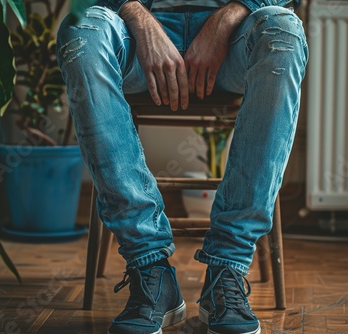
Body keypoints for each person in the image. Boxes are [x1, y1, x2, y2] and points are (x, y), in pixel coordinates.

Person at [57, 0, 308, 332]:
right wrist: (138, 18)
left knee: (284, 31)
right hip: (131, 32)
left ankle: (227, 268)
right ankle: (150, 269)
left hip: (238, 33)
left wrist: (228, 18)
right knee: (81, 33)